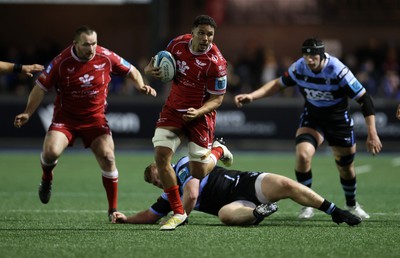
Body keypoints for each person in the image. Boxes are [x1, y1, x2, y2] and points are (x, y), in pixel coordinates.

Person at [13, 25, 157, 220]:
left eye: (94, 43)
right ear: (75, 44)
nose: (91, 49)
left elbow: (132, 70)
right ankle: (46, 178)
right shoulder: (61, 62)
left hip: (95, 119)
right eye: (86, 45)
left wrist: (141, 86)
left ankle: (112, 210)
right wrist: (28, 113)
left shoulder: (105, 56)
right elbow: (40, 88)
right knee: (50, 153)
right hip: (66, 119)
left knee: (108, 157)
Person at [234, 37, 382, 220]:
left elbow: (364, 99)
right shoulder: (299, 67)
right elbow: (278, 84)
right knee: (303, 156)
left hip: (338, 122)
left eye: (313, 57)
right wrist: (252, 96)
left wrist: (372, 133)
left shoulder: (337, 70)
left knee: (346, 168)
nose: (309, 60)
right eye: (306, 56)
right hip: (313, 119)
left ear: (322, 56)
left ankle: (351, 204)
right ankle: (307, 205)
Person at [144, 15, 232, 230]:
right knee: (162, 156)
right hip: (173, 110)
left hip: (200, 116)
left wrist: (198, 111)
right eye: (201, 33)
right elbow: (153, 64)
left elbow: (218, 99)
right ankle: (179, 212)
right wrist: (150, 70)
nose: (205, 38)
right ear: (192, 32)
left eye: (210, 34)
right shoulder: (177, 44)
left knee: (198, 172)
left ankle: (218, 150)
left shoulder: (216, 62)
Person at [111, 155, 361, 227]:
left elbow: (193, 194)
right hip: (236, 204)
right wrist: (126, 219)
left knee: (287, 185)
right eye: (157, 184)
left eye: (160, 178)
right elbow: (151, 215)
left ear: (167, 167)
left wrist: (180, 217)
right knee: (225, 216)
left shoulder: (186, 165)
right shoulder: (170, 194)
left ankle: (335, 211)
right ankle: (259, 213)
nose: (162, 184)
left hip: (245, 183)